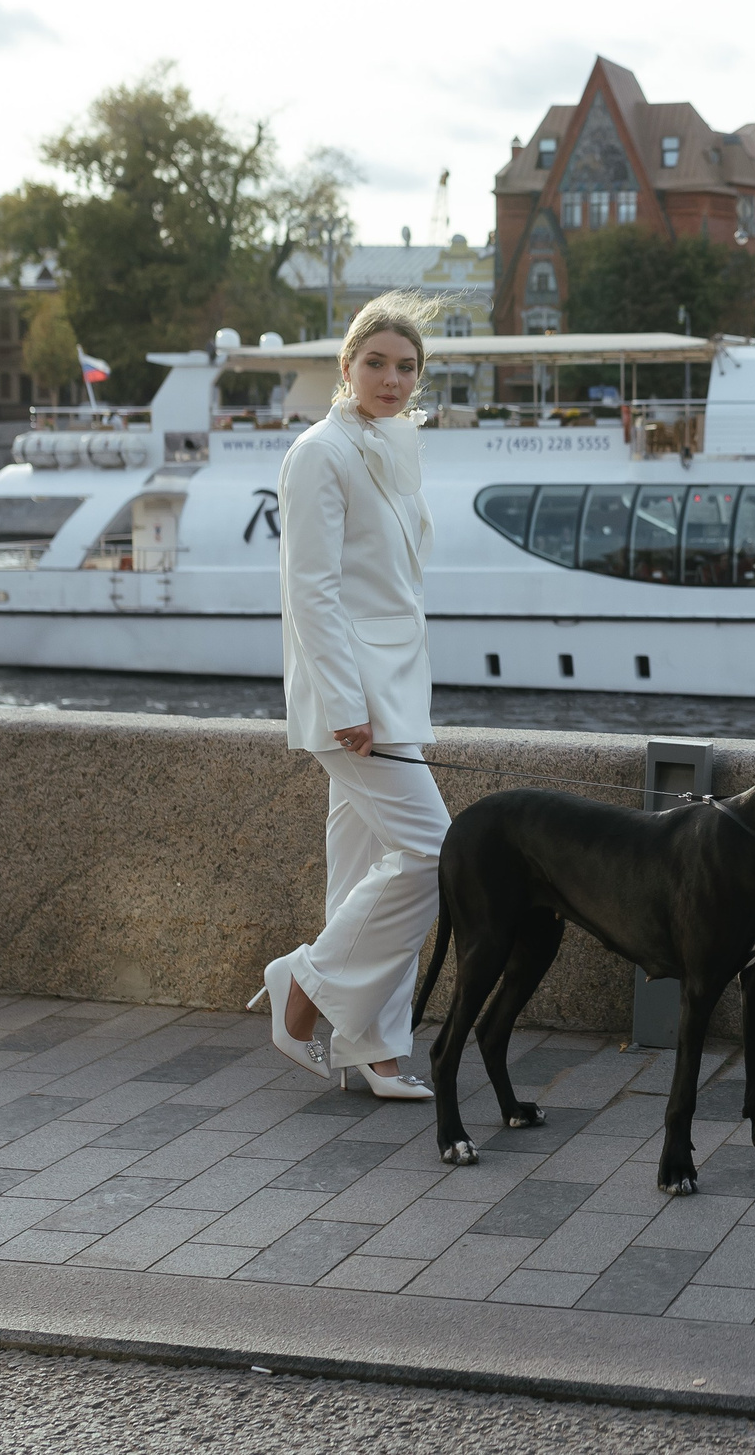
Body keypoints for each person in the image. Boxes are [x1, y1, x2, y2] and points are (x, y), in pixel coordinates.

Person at [253, 294, 448, 1101]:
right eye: (376, 363)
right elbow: (313, 591)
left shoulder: (394, 446)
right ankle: (306, 982)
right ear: (346, 366)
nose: (392, 379)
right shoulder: (319, 451)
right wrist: (344, 704)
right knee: (439, 852)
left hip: (395, 687)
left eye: (406, 366)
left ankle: (373, 1046)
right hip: (355, 698)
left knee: (362, 867)